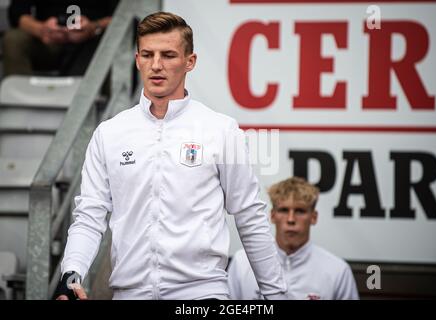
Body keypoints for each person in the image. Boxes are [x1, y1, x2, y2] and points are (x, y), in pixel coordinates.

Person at [54, 11, 287, 300]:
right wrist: (72, 273)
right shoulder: (109, 133)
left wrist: (276, 295)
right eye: (147, 54)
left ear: (190, 62)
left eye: (168, 55)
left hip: (202, 295)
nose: (156, 65)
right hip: (130, 294)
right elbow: (90, 216)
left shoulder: (221, 130)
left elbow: (249, 216)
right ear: (137, 59)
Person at [228, 177, 359, 300]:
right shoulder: (242, 263)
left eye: (300, 211)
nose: (291, 219)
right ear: (272, 216)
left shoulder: (337, 271)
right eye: (284, 210)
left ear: (313, 217)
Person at [3, 0, 118, 76]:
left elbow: (124, 14)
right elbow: (17, 13)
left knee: (112, 42)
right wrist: (42, 30)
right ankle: (20, 102)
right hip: (47, 41)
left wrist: (94, 27)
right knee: (14, 39)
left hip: (94, 42)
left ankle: (105, 106)